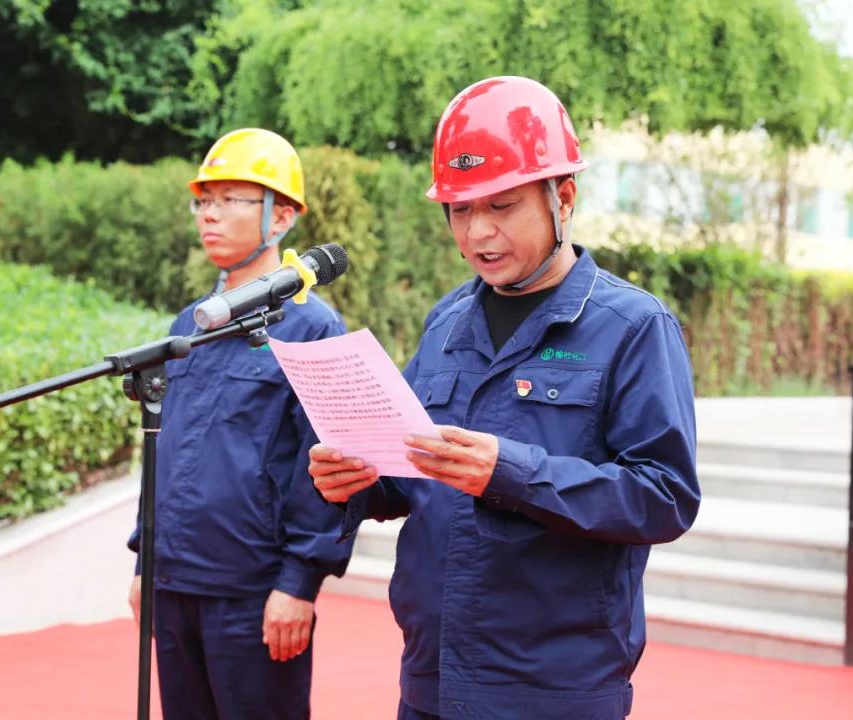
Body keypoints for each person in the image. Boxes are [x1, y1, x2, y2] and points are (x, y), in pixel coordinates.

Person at [309, 77, 700, 720]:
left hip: (552, 689)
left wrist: (513, 473)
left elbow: (665, 496)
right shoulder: (447, 322)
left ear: (563, 197)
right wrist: (357, 482)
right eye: (461, 210)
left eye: (502, 205)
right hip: (432, 677)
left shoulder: (633, 327)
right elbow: (413, 474)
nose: (479, 232)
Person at [127, 128, 353, 720]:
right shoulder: (189, 325)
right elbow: (163, 447)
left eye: (231, 199)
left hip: (253, 591)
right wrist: (145, 562)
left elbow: (328, 469)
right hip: (173, 584)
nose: (210, 214)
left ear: (282, 217)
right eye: (204, 200)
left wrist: (299, 583)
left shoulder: (312, 328)